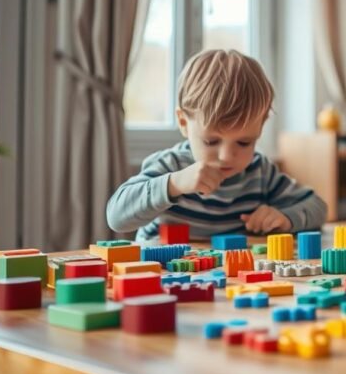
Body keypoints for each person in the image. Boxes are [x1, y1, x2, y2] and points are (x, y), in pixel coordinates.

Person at [107, 49, 327, 240]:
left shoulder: (260, 172)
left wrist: (285, 219)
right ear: (183, 122)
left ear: (261, 126)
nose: (226, 155)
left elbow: (318, 208)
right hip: (163, 277)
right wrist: (174, 184)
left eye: (244, 142)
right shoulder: (171, 166)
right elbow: (116, 217)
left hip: (230, 282)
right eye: (211, 141)